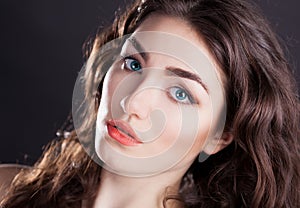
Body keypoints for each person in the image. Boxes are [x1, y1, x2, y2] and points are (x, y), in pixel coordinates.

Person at [1, 0, 299, 207]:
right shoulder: (6, 188)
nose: (133, 101)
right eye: (132, 64)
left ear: (219, 137)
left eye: (180, 93)